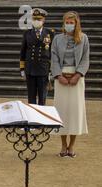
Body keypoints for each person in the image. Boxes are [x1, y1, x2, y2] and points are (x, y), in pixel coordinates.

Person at [51, 11, 89, 158]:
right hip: (61, 78)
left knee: (75, 111)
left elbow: (85, 59)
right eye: (67, 22)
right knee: (61, 111)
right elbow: (53, 58)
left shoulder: (83, 38)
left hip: (77, 80)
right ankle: (62, 144)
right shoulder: (57, 39)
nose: (69, 24)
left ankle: (71, 145)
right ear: (63, 22)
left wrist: (78, 74)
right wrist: (58, 75)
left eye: (71, 22)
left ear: (76, 23)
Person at [20, 8, 55, 106]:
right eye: (34, 19)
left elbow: (52, 52)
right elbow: (23, 51)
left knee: (42, 97)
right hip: (30, 69)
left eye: (39, 19)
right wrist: (22, 68)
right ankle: (32, 118)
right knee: (31, 97)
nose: (37, 21)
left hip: (43, 69)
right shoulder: (27, 33)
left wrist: (52, 69)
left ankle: (41, 118)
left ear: (44, 20)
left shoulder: (50, 33)